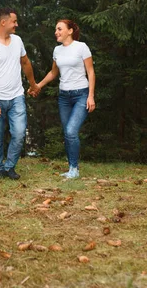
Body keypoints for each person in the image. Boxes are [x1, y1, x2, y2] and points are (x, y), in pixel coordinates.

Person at [0, 8, 40, 180]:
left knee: (19, 134)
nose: (17, 25)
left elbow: (25, 63)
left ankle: (9, 167)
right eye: (14, 21)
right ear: (3, 22)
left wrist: (33, 84)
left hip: (16, 97)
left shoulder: (17, 41)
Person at [30, 19, 95, 179]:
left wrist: (91, 96)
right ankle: (71, 168)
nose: (56, 32)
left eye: (59, 29)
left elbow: (91, 72)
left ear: (70, 31)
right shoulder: (57, 51)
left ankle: (74, 169)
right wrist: (38, 85)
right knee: (67, 134)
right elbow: (53, 73)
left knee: (71, 131)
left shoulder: (81, 47)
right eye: (55, 30)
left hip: (81, 94)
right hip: (64, 97)